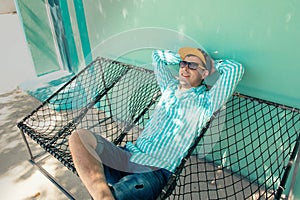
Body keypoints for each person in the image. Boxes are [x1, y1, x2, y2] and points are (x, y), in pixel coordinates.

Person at [69, 47, 244, 200]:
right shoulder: (169, 87)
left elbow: (235, 69)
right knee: (79, 137)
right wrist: (183, 58)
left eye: (192, 66)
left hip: (153, 170)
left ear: (204, 73)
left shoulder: (206, 102)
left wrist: (210, 64)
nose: (184, 68)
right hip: (127, 155)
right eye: (183, 64)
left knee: (118, 195)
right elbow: (157, 57)